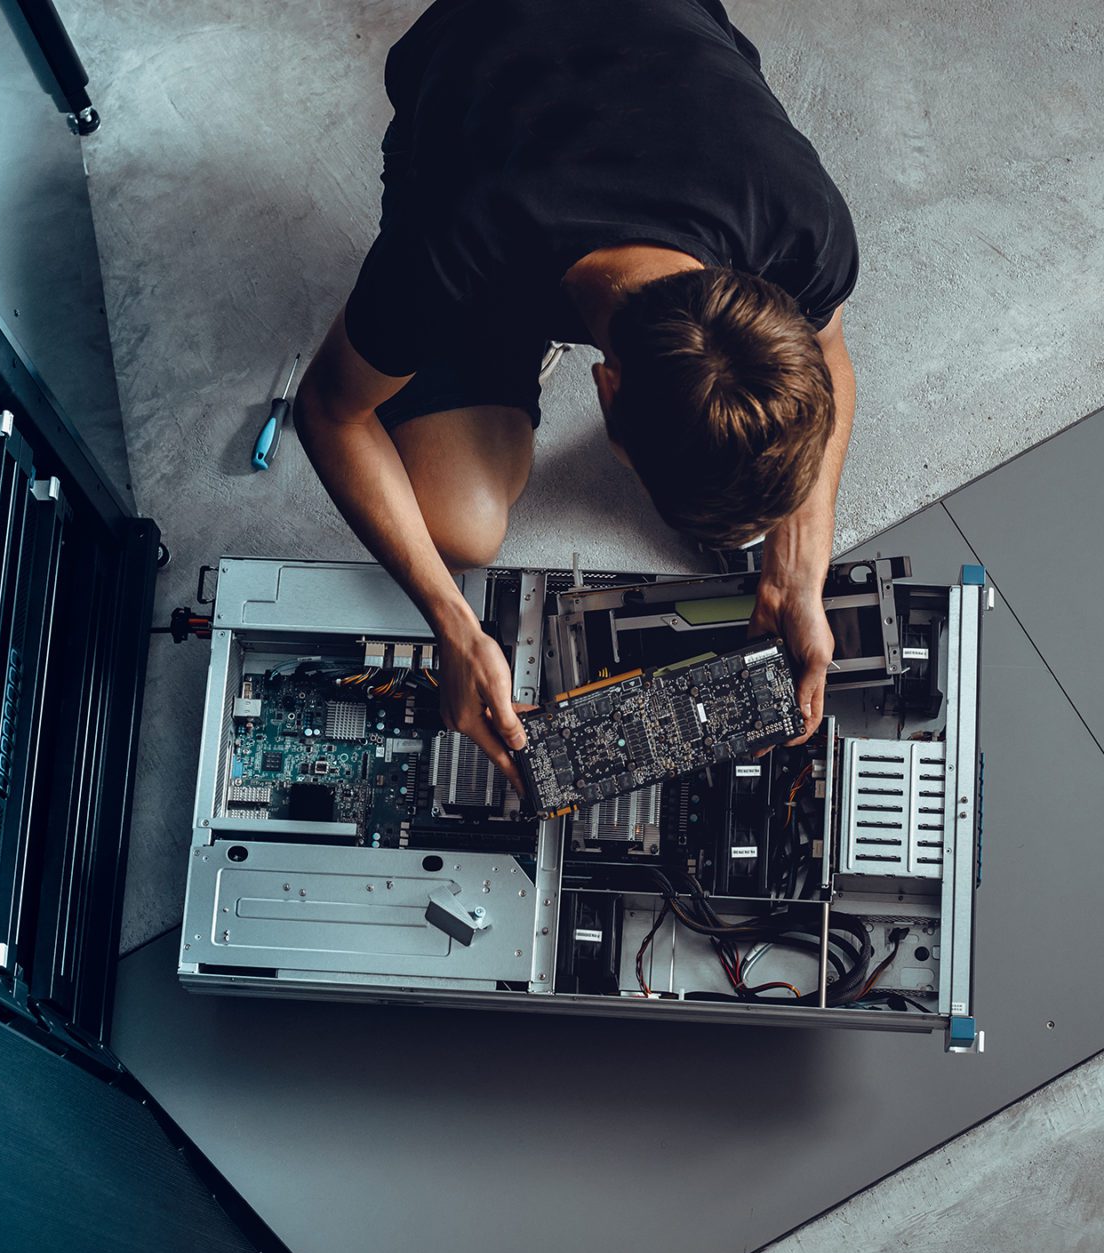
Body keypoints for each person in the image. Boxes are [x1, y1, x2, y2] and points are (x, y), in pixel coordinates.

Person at [294, 0, 859, 787]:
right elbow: (325, 409)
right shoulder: (455, 246)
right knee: (460, 527)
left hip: (664, 42)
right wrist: (453, 628)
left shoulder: (800, 221)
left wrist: (800, 572)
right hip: (476, 59)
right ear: (605, 390)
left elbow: (827, 355)